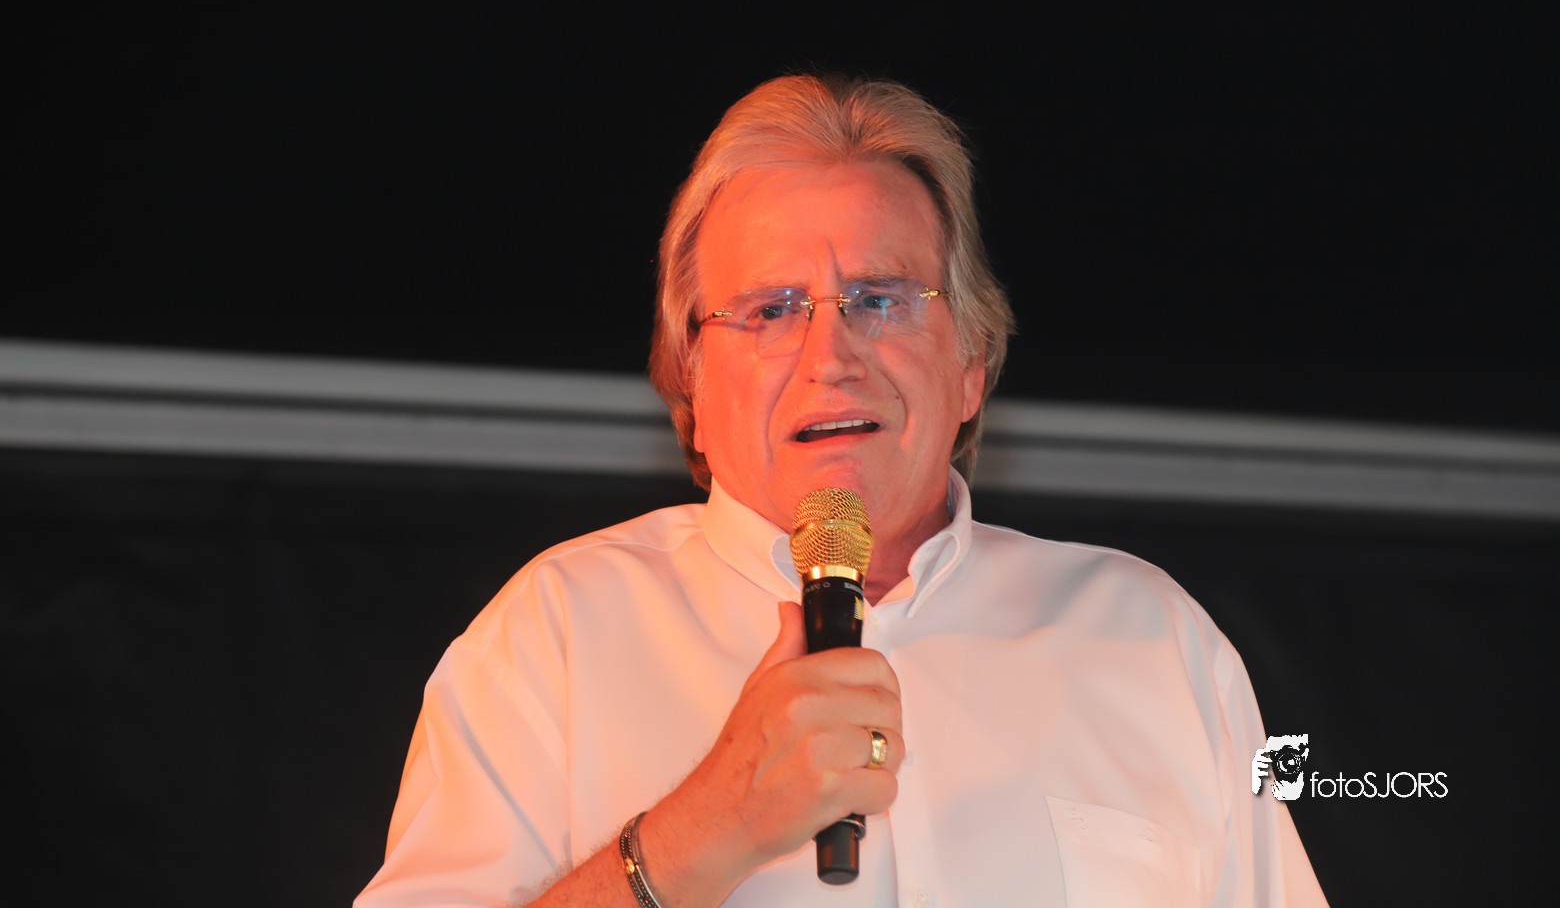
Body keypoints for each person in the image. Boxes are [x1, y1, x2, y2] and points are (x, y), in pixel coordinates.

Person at [356, 74, 1327, 906]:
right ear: (692, 383)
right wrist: (705, 828)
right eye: (770, 310)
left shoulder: (1150, 640)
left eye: (880, 299)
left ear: (971, 363)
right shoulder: (557, 635)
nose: (831, 356)